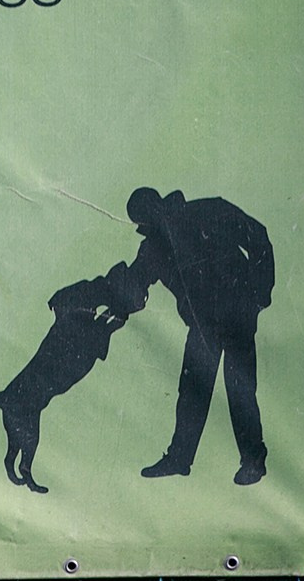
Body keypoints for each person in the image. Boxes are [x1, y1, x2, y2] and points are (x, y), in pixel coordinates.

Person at [108, 186, 275, 484]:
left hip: (238, 312)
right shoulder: (154, 248)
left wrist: (261, 293)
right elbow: (135, 286)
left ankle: (253, 461)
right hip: (202, 324)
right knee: (193, 390)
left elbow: (257, 235)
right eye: (144, 219)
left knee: (239, 388)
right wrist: (109, 299)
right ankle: (180, 459)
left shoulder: (209, 210)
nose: (150, 221)